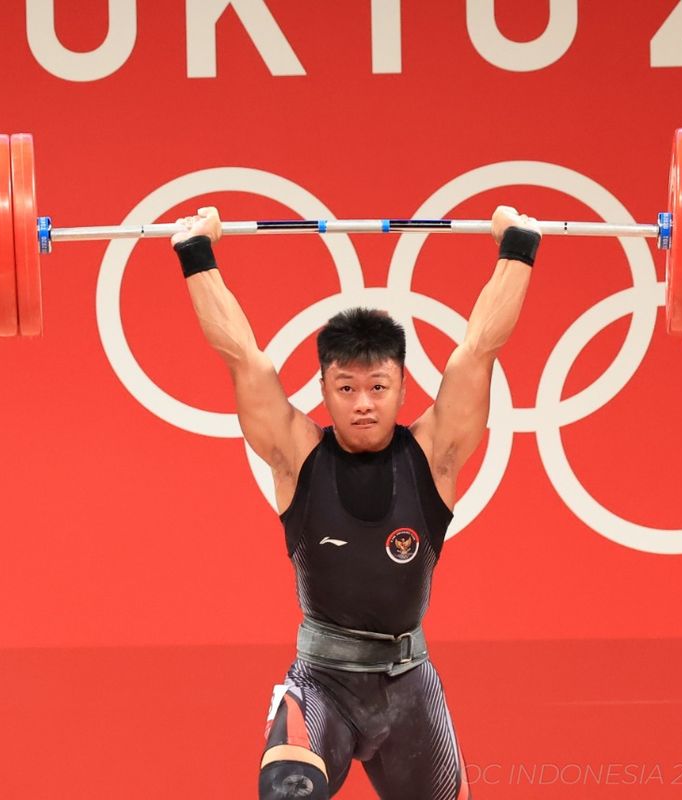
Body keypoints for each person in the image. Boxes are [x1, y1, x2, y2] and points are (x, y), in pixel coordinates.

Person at [170, 205, 538, 799]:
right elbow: (243, 355)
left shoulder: (434, 455)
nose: (362, 403)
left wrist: (517, 247)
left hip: (409, 687)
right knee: (289, 789)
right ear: (324, 389)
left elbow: (479, 349)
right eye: (346, 388)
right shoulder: (296, 455)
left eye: (377, 387)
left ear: (401, 386)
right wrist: (196, 253)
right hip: (322, 684)